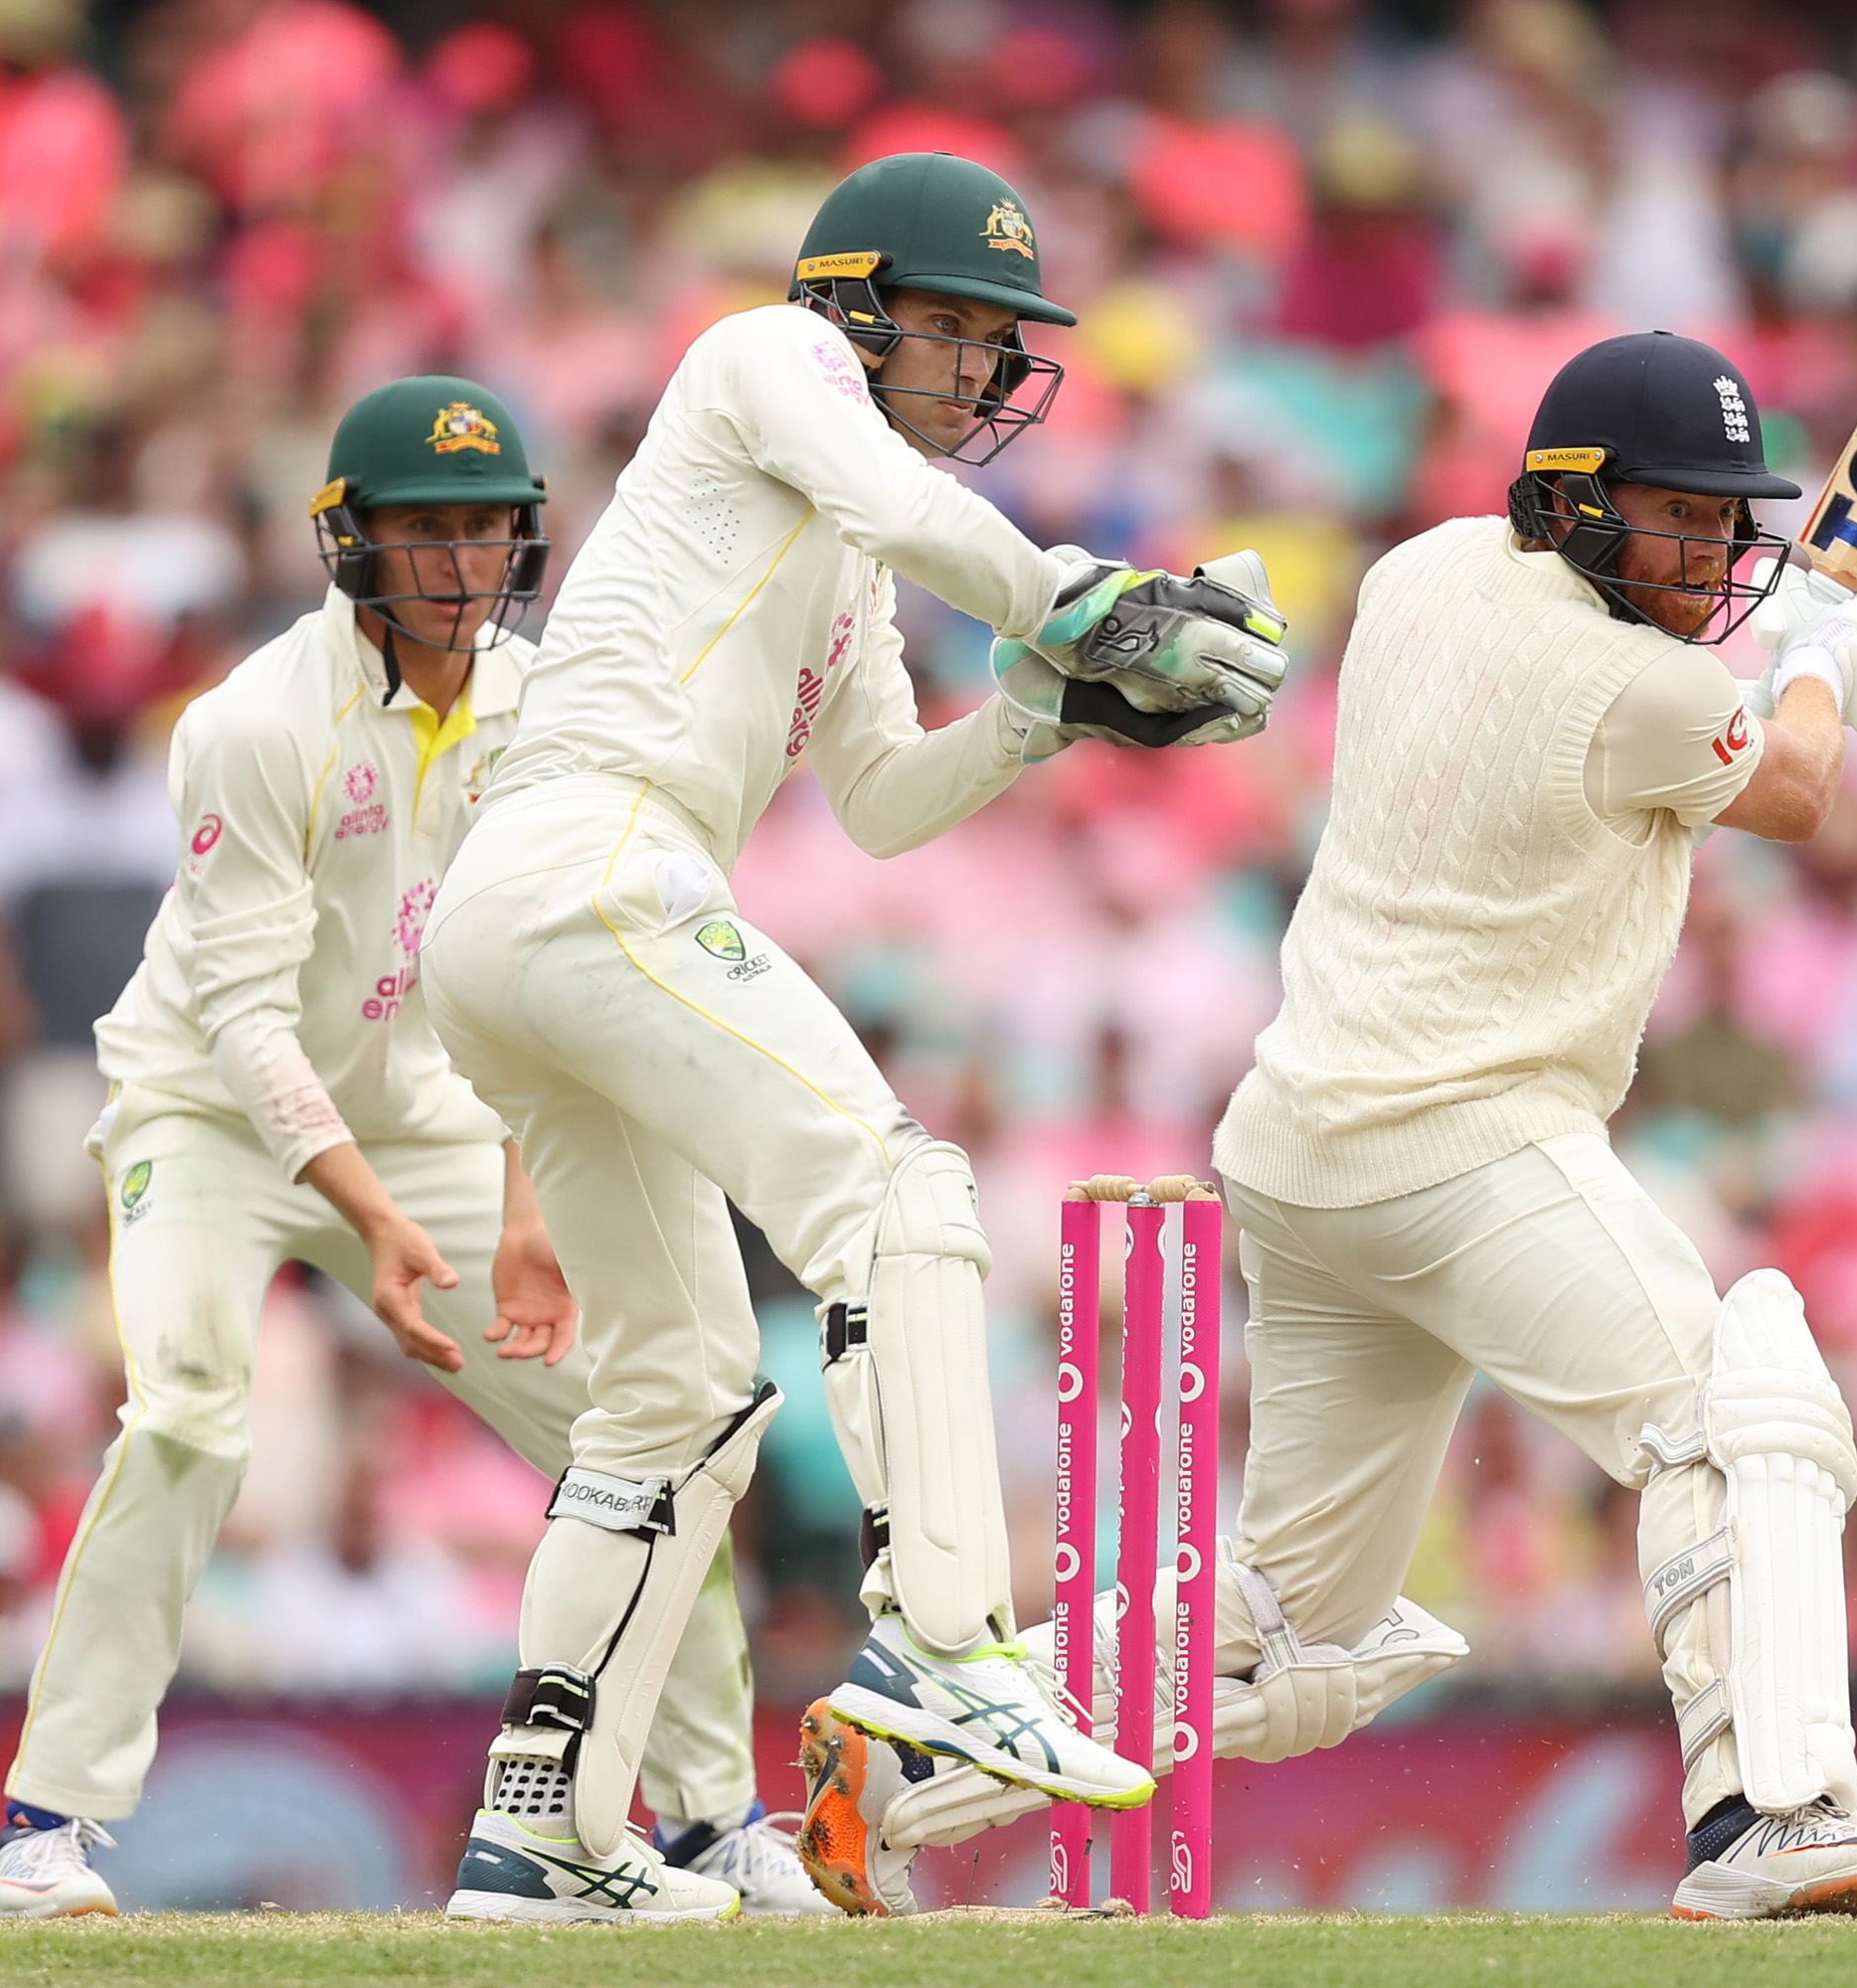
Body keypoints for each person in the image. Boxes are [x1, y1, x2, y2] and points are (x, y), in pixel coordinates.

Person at [797, 332, 1857, 1921]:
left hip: (1303, 1155)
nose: (1714, 556)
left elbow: (1654, 706)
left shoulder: (1419, 574)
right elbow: (1798, 789)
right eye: (1681, 517)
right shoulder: (1643, 685)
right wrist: (1821, 670)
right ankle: (1773, 1815)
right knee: (1738, 1405)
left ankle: (909, 1752)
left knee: (1300, 1628)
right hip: (1469, 1144)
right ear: (1576, 504)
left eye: (1725, 521)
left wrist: (1783, 668)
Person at [416, 150, 1289, 1923]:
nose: (984, 368)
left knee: (676, 1389)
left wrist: (1051, 709)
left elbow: (883, 799)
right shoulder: (763, 357)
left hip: (530, 916)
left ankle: (546, 1833)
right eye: (955, 328)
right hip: (596, 862)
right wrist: (1085, 599)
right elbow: (910, 508)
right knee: (900, 1193)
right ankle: (944, 1641)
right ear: (856, 310)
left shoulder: (847, 552)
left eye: (1000, 342)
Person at [0, 377, 823, 1921]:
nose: (458, 562)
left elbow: (542, 981)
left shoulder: (551, 712)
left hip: (432, 1110)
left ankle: (713, 1820)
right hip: (207, 1111)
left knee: (653, 1432)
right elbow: (245, 1019)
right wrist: (370, 1220)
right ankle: (50, 1829)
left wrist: (527, 1203)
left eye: (486, 528)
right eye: (424, 528)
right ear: (351, 541)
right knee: (188, 1419)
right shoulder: (253, 724)